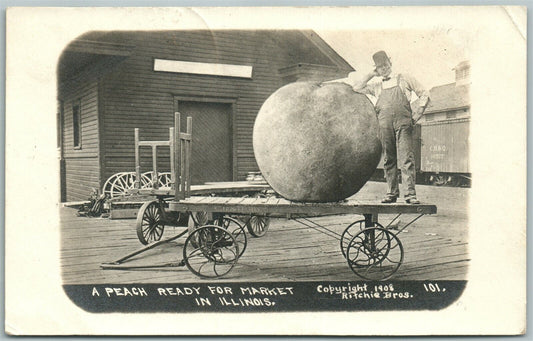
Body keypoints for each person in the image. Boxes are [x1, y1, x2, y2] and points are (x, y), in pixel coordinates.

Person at [353, 51, 430, 204]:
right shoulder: (377, 85)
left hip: (404, 123)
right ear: (377, 69)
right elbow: (356, 87)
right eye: (380, 67)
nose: (384, 68)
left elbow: (424, 94)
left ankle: (410, 194)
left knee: (406, 158)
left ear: (390, 63)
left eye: (386, 65)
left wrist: (417, 115)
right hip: (384, 124)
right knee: (389, 158)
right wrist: (371, 74)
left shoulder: (404, 78)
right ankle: (391, 192)